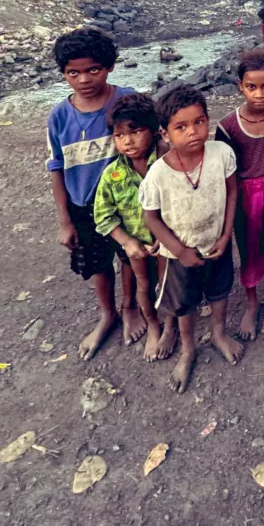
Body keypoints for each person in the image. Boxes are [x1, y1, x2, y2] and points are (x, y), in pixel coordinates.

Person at [141, 85, 242, 394]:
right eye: (181, 127)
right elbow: (152, 218)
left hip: (216, 244)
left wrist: (226, 236)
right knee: (185, 305)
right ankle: (188, 349)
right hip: (179, 255)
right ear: (165, 133)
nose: (193, 131)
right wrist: (179, 250)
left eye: (199, 121)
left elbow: (232, 191)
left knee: (220, 292)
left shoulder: (221, 154)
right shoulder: (157, 174)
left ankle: (218, 334)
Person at [46, 28, 137, 360]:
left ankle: (130, 306)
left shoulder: (125, 101)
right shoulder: (59, 116)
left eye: (92, 69)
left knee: (129, 256)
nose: (84, 79)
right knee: (96, 263)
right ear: (64, 73)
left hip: (126, 204)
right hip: (83, 205)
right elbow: (56, 167)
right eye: (74, 72)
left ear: (109, 67)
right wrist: (64, 220)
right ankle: (107, 312)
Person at [93, 93, 178, 362]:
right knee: (143, 285)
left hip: (168, 241)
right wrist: (128, 242)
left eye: (135, 132)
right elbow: (103, 216)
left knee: (167, 286)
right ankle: (153, 325)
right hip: (136, 245)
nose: (127, 141)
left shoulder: (168, 163)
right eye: (119, 136)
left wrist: (167, 238)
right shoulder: (112, 175)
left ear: (153, 132)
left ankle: (172, 327)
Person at [216, 51, 264, 341]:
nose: (259, 94)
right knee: (248, 248)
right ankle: (251, 301)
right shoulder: (228, 126)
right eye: (252, 87)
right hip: (244, 192)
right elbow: (223, 171)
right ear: (240, 86)